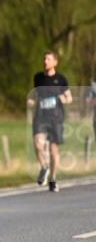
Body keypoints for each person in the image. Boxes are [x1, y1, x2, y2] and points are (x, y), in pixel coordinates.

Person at [28, 51, 72, 193]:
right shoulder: (38, 78)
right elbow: (36, 93)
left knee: (53, 150)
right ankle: (43, 167)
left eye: (48, 59)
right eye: (44, 59)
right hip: (40, 116)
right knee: (37, 143)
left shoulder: (61, 80)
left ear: (55, 62)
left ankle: (53, 179)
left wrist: (63, 99)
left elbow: (69, 98)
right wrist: (32, 100)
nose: (45, 61)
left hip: (56, 118)